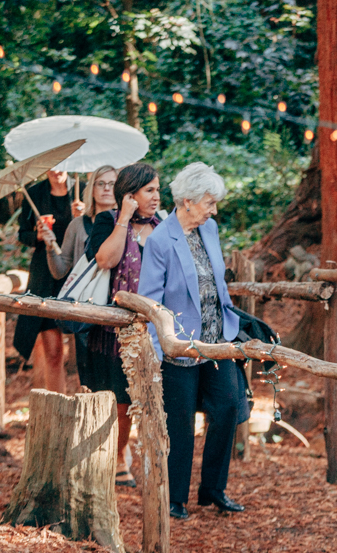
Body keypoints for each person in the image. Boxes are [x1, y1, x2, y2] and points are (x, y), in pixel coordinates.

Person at [139, 162, 245, 521]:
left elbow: (217, 283)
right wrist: (155, 352)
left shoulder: (209, 229)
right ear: (186, 201)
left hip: (217, 339)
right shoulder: (160, 240)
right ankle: (175, 497)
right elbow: (151, 301)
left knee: (229, 407)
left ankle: (213, 489)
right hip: (180, 345)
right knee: (179, 423)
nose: (213, 210)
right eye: (209, 202)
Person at [86, 163, 161, 488]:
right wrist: (124, 219)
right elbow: (106, 260)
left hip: (153, 327)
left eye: (158, 189)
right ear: (130, 195)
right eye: (150, 191)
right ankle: (114, 457)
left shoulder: (162, 226)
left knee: (139, 398)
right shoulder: (107, 221)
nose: (157, 196)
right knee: (117, 399)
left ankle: (136, 453)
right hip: (113, 329)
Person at [40, 166, 118, 406]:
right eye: (100, 183)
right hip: (86, 308)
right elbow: (61, 270)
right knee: (91, 383)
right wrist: (49, 245)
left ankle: (120, 444)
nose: (106, 189)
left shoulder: (125, 223)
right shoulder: (77, 225)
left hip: (117, 309)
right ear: (91, 189)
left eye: (112, 184)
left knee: (119, 387)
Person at [15, 169, 80, 394]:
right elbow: (22, 234)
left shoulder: (83, 191)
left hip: (77, 273)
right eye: (52, 164)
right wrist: (38, 237)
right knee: (53, 353)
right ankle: (57, 410)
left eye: (62, 164)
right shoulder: (34, 193)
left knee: (84, 353)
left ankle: (87, 408)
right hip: (44, 275)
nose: (56, 170)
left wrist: (85, 217)